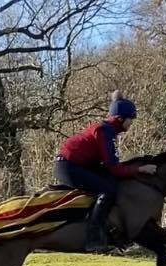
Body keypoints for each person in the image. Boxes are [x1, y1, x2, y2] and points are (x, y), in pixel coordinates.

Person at [54, 90, 157, 251]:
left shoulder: (108, 130)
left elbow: (111, 166)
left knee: (111, 183)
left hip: (77, 165)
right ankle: (93, 239)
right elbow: (114, 168)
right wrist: (140, 169)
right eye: (131, 119)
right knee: (108, 190)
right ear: (120, 118)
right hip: (69, 167)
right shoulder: (105, 132)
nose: (131, 123)